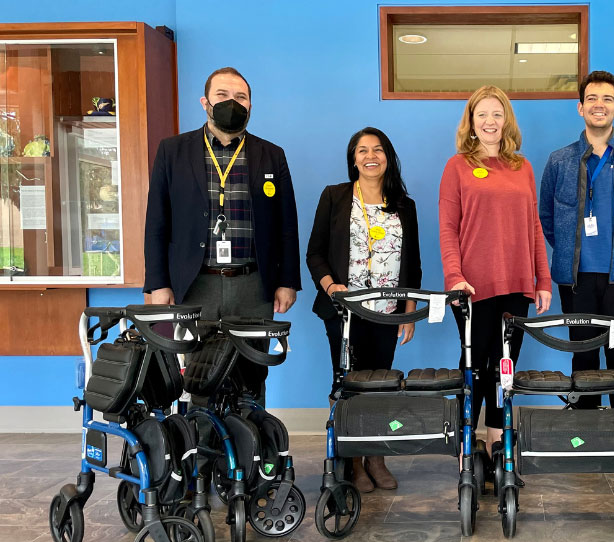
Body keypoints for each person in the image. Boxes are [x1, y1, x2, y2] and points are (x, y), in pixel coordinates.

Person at [144, 66, 300, 402]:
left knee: (251, 380)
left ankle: (252, 451)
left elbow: (287, 224)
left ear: (250, 106)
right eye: (223, 95)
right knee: (200, 379)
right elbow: (157, 222)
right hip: (195, 284)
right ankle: (204, 452)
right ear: (205, 102)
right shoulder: (173, 151)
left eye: (240, 97)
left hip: (252, 285)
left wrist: (287, 280)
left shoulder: (271, 155)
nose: (232, 103)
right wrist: (158, 284)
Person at [306, 127, 421, 493]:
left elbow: (412, 262)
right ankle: (353, 460)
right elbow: (315, 252)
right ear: (353, 158)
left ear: (388, 155)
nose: (371, 156)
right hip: (344, 312)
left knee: (381, 385)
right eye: (362, 150)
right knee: (349, 384)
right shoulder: (335, 197)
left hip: (387, 311)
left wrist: (409, 308)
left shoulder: (404, 203)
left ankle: (376, 456)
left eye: (378, 149)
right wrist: (330, 287)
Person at [439, 85, 552, 452]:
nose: (490, 121)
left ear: (507, 121)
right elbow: (448, 228)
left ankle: (496, 439)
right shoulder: (457, 167)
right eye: (482, 114)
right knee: (474, 366)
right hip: (472, 286)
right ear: (471, 121)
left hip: (517, 283)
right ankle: (466, 443)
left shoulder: (523, 167)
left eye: (497, 114)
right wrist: (454, 278)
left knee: (504, 366)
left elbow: (534, 225)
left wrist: (543, 279)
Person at [539, 70, 614, 409]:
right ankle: (586, 435)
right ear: (580, 107)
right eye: (592, 98)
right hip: (575, 278)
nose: (599, 105)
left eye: (607, 99)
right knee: (583, 356)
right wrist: (565, 248)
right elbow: (547, 217)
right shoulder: (560, 161)